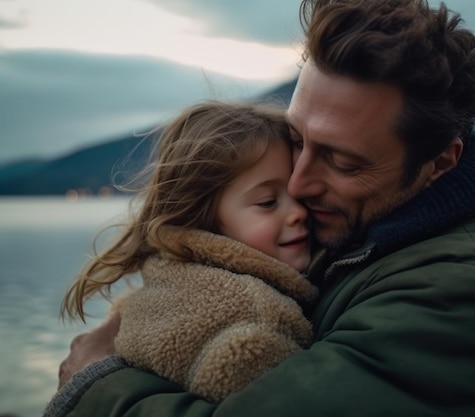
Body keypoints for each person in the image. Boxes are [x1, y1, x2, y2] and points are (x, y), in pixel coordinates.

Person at [46, 0, 475, 416]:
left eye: (343, 162)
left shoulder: (473, 295)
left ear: (441, 164)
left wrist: (97, 381)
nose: (301, 184)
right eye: (298, 140)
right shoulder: (365, 237)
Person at [47, 101, 317, 408]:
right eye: (268, 202)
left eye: (299, 195)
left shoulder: (164, 284)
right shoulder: (252, 330)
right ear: (204, 219)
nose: (298, 212)